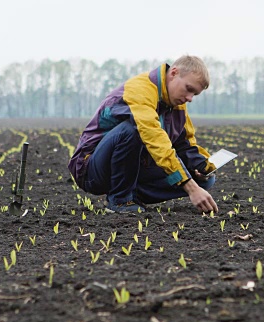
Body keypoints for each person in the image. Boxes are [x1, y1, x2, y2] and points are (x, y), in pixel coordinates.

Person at [68, 55, 219, 214]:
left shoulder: (176, 104)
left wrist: (203, 167)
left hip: (134, 168)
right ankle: (120, 200)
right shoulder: (140, 89)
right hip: (92, 168)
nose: (189, 99)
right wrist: (190, 187)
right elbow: (155, 139)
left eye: (194, 94)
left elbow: (185, 145)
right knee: (133, 130)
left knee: (205, 181)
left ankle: (131, 194)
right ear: (174, 73)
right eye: (189, 89)